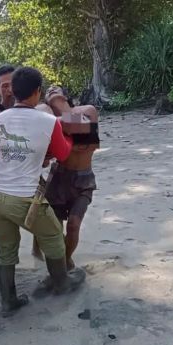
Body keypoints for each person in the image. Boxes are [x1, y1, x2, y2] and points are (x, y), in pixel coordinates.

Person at [0, 67, 86, 317]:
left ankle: (8, 300)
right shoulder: (48, 121)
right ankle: (61, 283)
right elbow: (62, 154)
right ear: (38, 92)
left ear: (13, 91)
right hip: (23, 197)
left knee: (6, 247)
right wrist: (67, 139)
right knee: (52, 237)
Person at [32, 86, 99, 269]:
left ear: (67, 96)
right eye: (49, 90)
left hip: (83, 180)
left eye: (57, 88)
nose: (53, 89)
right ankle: (59, 259)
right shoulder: (46, 114)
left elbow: (82, 127)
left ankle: (67, 258)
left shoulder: (87, 110)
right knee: (53, 226)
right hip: (59, 179)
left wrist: (54, 115)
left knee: (73, 225)